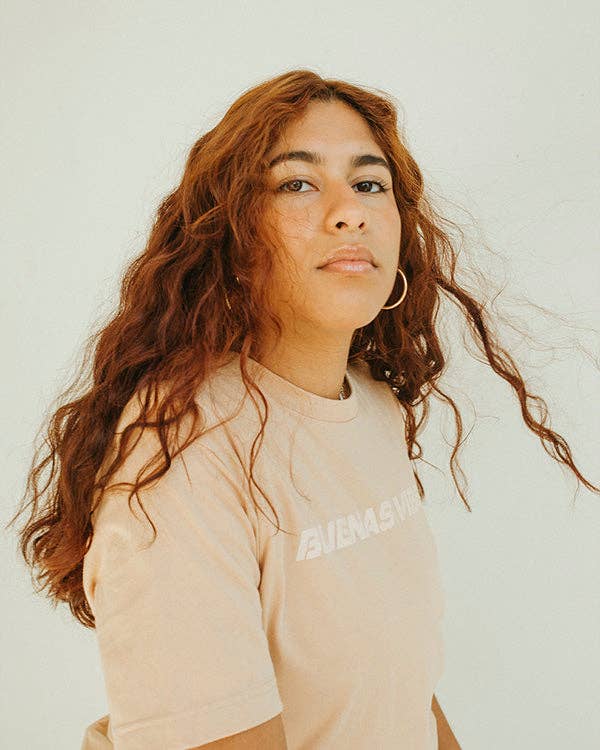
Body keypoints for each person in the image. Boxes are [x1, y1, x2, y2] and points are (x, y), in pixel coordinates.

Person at [7, 69, 598, 750]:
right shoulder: (179, 452)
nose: (350, 212)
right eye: (297, 183)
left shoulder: (372, 404)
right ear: (231, 236)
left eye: (369, 184)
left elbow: (399, 693)